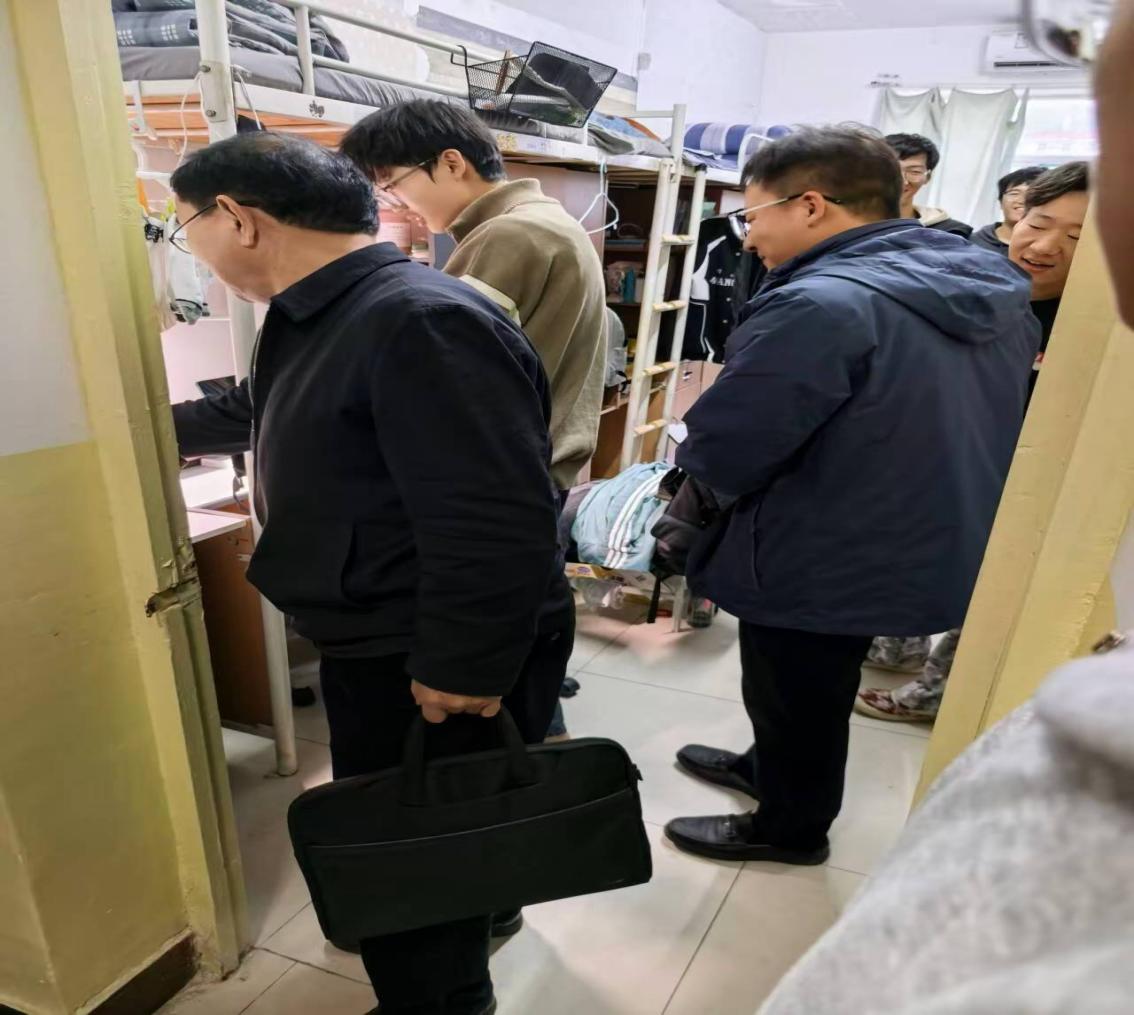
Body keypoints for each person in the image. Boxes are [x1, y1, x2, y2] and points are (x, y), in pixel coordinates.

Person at [169, 131, 571, 1015]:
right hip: (380, 630)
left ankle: (439, 999)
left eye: (185, 227)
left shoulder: (419, 318)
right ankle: (468, 932)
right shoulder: (324, 311)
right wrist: (154, 423)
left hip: (424, 647)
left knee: (419, 862)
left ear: (237, 217)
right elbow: (258, 406)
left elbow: (496, 516)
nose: (189, 250)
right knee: (439, 836)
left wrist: (461, 667)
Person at [664, 126, 1038, 865]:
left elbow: (734, 439)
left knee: (795, 682)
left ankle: (789, 827)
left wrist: (686, 482)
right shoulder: (976, 282)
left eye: (752, 215)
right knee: (811, 680)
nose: (748, 237)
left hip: (824, 531)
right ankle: (767, 769)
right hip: (908, 518)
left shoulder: (821, 303)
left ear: (810, 206)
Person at [340, 99, 606, 745]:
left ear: (452, 162)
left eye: (393, 183)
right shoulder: (544, 221)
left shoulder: (508, 237)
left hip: (508, 478)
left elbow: (447, 373)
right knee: (525, 657)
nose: (396, 204)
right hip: (535, 473)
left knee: (489, 696)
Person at [856, 161, 1090, 725]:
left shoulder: (1091, 328)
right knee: (912, 549)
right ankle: (897, 643)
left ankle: (937, 692)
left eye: (1078, 237)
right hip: (940, 463)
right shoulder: (972, 286)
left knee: (991, 586)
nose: (1045, 246)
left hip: (1027, 482)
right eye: (1038, 223)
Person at [884, 132, 973, 237]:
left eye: (915, 171)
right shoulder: (865, 227)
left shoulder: (950, 232)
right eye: (890, 169)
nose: (902, 181)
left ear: (928, 177)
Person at [970, 165, 1048, 254]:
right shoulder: (970, 244)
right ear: (1000, 202)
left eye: (1032, 194)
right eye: (1014, 193)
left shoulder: (1052, 248)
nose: (1022, 200)